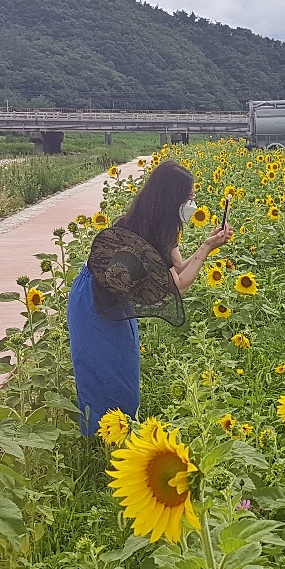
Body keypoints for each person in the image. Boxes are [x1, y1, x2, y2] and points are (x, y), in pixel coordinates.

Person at [68, 159, 233, 436]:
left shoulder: (161, 227)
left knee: (123, 371)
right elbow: (178, 286)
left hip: (116, 301)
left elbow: (178, 268)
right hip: (92, 301)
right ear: (171, 200)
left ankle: (116, 437)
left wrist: (208, 244)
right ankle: (97, 443)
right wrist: (206, 249)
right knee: (98, 374)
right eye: (189, 199)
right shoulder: (138, 233)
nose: (193, 205)